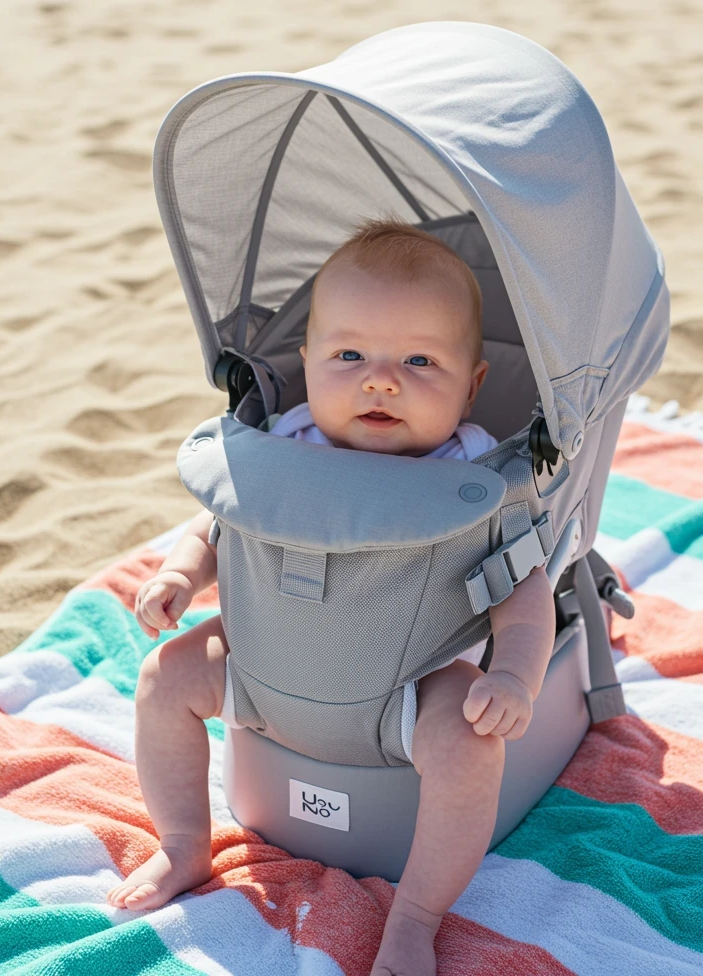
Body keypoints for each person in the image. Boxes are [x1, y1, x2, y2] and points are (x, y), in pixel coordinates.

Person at [107, 219, 557, 976]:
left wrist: (515, 674)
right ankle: (184, 844)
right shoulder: (283, 443)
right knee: (164, 677)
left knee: (470, 744)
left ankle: (415, 917)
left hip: (408, 683)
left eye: (420, 360)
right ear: (307, 361)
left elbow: (525, 585)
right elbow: (220, 526)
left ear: (472, 384)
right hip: (259, 662)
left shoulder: (478, 476)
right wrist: (183, 574)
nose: (380, 381)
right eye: (349, 356)